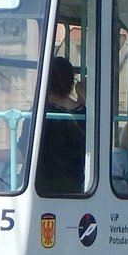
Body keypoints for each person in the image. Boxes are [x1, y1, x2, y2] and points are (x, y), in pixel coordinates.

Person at [35, 56, 87, 194]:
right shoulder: (85, 113)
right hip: (77, 185)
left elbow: (21, 154)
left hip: (43, 186)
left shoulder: (40, 114)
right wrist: (82, 98)